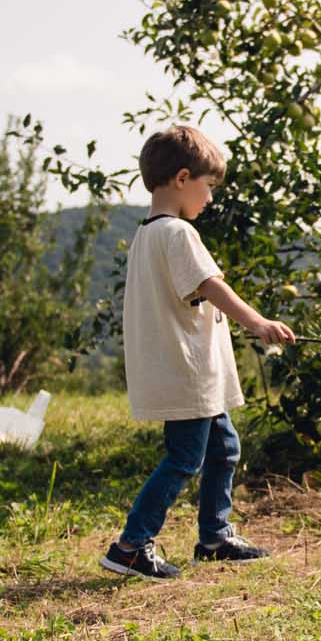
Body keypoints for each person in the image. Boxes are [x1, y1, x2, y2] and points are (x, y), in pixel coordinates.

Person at [101, 124, 296, 581]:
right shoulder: (177, 233)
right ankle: (131, 546)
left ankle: (215, 536)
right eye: (209, 187)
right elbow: (210, 285)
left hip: (187, 371)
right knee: (186, 457)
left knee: (224, 446)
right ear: (183, 178)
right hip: (188, 371)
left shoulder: (147, 234)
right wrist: (258, 322)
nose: (210, 198)